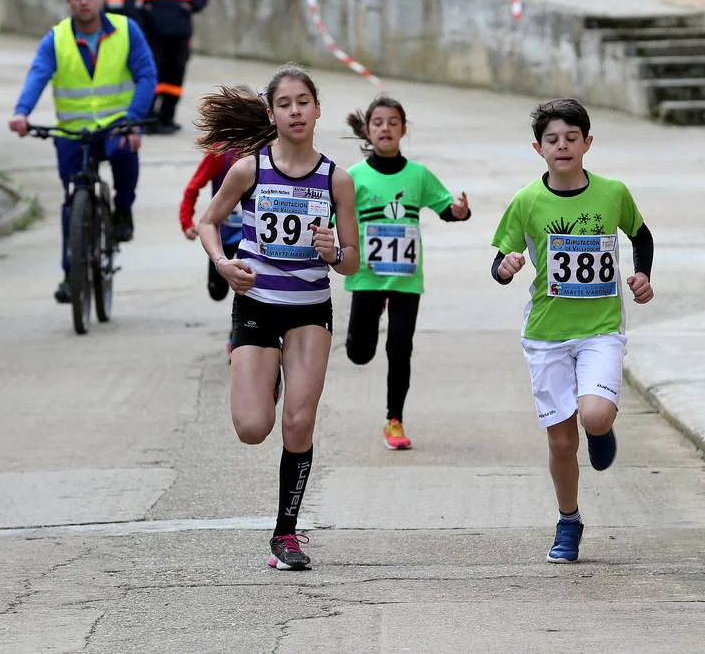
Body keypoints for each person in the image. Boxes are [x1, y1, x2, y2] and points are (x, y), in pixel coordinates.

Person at [196, 65, 360, 571]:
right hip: (257, 304)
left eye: (303, 102)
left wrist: (336, 252)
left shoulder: (337, 179)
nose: (295, 111)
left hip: (310, 309)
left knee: (299, 421)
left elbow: (353, 260)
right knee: (252, 427)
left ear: (316, 110)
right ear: (271, 113)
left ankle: (286, 534)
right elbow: (209, 221)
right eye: (285, 103)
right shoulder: (249, 169)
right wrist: (224, 265)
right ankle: (256, 374)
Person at [490, 98, 654, 564]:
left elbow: (641, 235)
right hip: (546, 335)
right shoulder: (526, 201)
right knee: (561, 441)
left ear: (587, 143)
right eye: (552, 140)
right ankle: (568, 520)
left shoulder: (612, 192)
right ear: (538, 148)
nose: (562, 146)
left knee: (595, 416)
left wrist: (642, 274)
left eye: (571, 138)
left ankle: (601, 430)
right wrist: (506, 268)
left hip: (600, 329)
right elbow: (499, 262)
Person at [8, 0, 157, 303]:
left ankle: (123, 210)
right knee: (72, 199)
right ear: (68, 2)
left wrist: (133, 120)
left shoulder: (125, 30)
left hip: (117, 125)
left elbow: (147, 74)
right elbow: (38, 75)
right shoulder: (56, 39)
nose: (84, 2)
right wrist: (22, 112)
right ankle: (70, 273)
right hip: (73, 132)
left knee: (125, 152)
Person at [344, 95, 470, 450]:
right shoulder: (354, 177)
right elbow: (337, 218)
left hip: (406, 279)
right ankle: (368, 324)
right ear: (368, 130)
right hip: (367, 277)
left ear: (403, 129)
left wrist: (458, 211)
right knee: (359, 353)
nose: (385, 128)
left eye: (393, 122)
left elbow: (446, 207)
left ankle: (394, 419)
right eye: (378, 122)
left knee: (400, 347)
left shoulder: (418, 175)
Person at [137, 0, 209, 134]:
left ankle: (167, 118)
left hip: (179, 33)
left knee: (175, 75)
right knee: (153, 75)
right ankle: (148, 119)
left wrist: (192, 7)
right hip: (153, 34)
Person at [179, 145, 244, 359]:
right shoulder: (220, 154)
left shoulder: (267, 152)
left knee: (248, 286)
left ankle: (237, 336)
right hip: (222, 236)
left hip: (251, 237)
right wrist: (187, 221)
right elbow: (193, 187)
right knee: (217, 292)